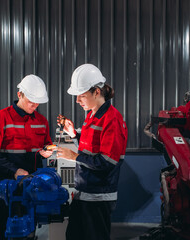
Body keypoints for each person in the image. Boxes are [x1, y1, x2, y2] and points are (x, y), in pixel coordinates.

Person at [57, 64, 128, 240]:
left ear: (96, 92)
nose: (77, 101)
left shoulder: (112, 120)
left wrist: (74, 156)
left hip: (98, 197)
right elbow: (91, 147)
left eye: (81, 96)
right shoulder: (92, 115)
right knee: (73, 236)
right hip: (84, 192)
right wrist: (74, 133)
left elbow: (106, 162)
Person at [0, 74, 53, 240]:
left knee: (29, 227)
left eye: (38, 102)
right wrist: (14, 171)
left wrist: (47, 150)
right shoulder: (0, 118)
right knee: (2, 227)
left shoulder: (41, 121)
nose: (34, 105)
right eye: (31, 101)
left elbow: (46, 144)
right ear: (19, 94)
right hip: (6, 186)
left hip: (33, 185)